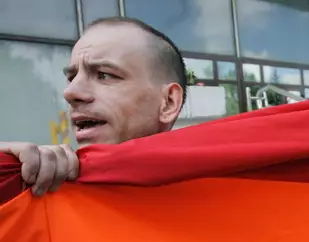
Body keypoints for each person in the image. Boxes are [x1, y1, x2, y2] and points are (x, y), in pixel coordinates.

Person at [0, 17, 186, 198]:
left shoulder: (209, 201)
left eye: (104, 75)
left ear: (168, 102)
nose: (70, 93)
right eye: (72, 77)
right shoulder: (34, 191)